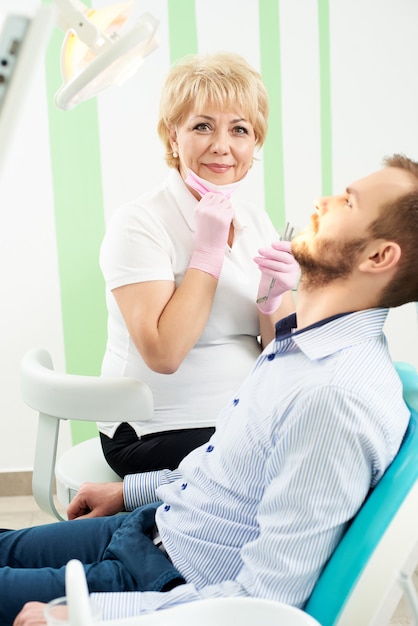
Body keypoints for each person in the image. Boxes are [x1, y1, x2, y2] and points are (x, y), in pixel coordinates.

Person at [9, 153, 418, 626]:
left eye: (347, 201)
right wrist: (131, 492)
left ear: (378, 256)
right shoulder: (301, 347)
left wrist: (83, 617)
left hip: (158, 583)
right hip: (155, 525)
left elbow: (264, 604)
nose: (321, 201)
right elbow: (227, 472)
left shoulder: (334, 399)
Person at [97, 51, 297, 477]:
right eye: (202, 126)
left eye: (239, 130)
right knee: (296, 459)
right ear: (173, 136)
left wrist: (274, 299)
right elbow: (164, 353)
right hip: (154, 430)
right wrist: (205, 255)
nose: (222, 146)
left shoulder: (255, 220)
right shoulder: (139, 222)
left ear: (254, 142)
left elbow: (278, 351)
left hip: (244, 414)